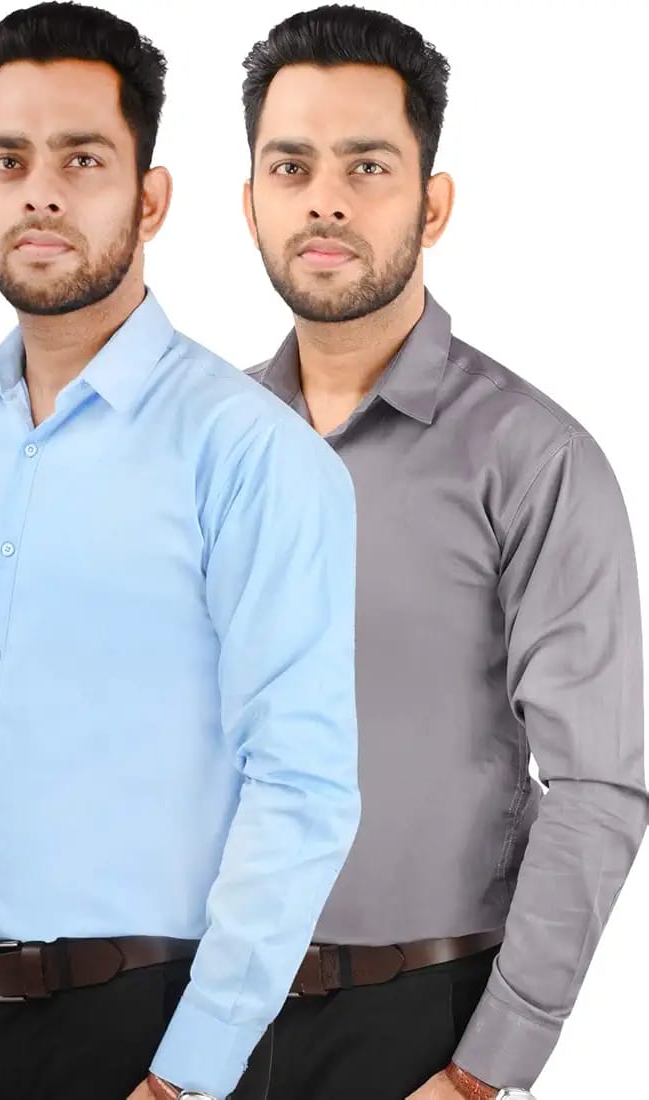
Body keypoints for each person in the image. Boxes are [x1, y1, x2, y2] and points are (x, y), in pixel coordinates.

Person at [0, 4, 360, 1100]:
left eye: (81, 159)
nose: (39, 192)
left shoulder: (249, 452)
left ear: (151, 198)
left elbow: (301, 785)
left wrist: (193, 1067)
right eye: (8, 161)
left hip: (150, 1027)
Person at [240, 7, 647, 1100]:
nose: (324, 199)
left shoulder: (534, 459)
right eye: (291, 167)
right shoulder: (197, 446)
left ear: (432, 204)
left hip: (416, 1026)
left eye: (366, 166)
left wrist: (481, 1067)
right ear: (251, 202)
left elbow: (598, 784)